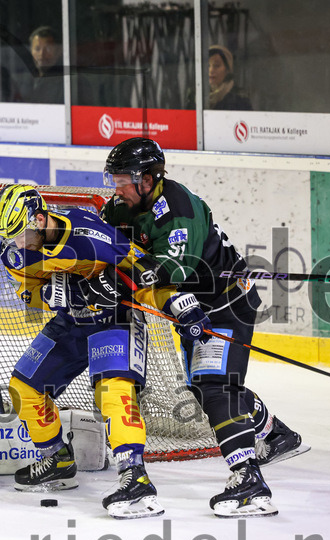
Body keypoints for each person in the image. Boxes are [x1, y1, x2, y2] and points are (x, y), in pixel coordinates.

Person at [100, 137, 310, 517]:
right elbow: (104, 242)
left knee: (215, 386)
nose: (117, 188)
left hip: (226, 306)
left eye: (124, 180)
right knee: (202, 387)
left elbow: (169, 271)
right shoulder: (121, 207)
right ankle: (275, 434)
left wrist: (122, 273)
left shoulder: (179, 210)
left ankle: (248, 478)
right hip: (192, 307)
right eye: (114, 179)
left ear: (148, 179)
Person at [0, 184, 196, 519]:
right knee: (22, 389)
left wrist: (176, 303)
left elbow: (142, 271)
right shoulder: (15, 253)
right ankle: (57, 458)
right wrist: (56, 296)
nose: (16, 243)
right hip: (70, 322)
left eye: (20, 233)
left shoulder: (88, 233)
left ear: (41, 219)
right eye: (9, 236)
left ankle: (135, 475)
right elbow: (28, 292)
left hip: (114, 318)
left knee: (113, 392)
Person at [26, 26, 64, 104]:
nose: (41, 54)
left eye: (48, 49)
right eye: (37, 49)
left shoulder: (70, 84)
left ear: (59, 51)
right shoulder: (25, 80)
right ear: (31, 51)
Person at [207, 45, 252, 110]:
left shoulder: (239, 98)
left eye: (216, 65)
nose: (211, 70)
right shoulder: (197, 96)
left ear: (228, 69)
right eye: (208, 65)